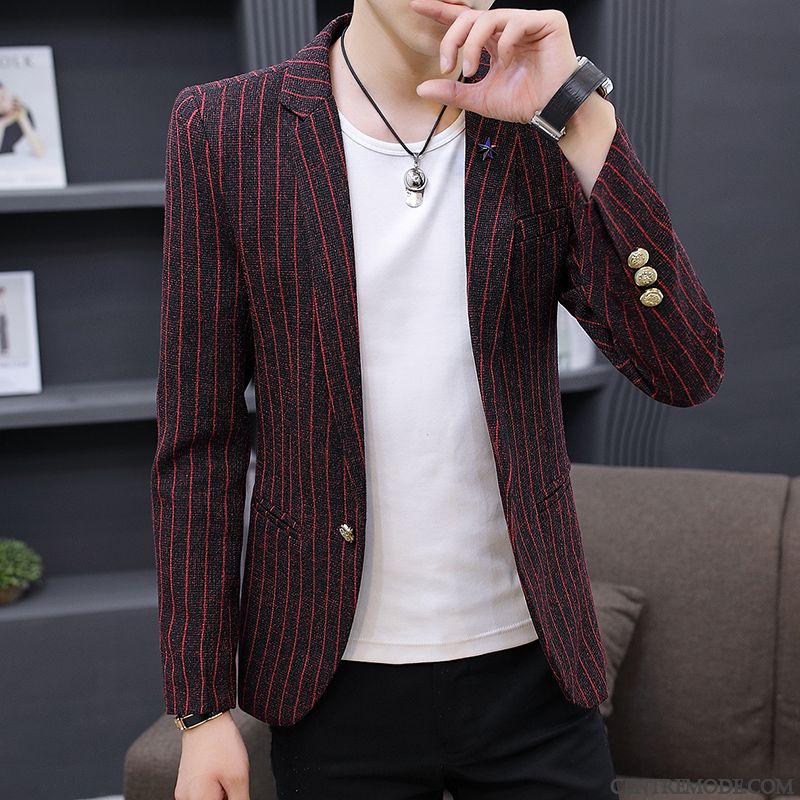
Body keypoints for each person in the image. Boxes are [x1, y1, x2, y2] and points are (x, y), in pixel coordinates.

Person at [150, 2, 725, 799]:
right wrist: (202, 706)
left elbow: (684, 369)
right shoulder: (224, 128)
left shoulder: (537, 122)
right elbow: (200, 439)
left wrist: (583, 118)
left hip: (535, 669)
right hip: (329, 677)